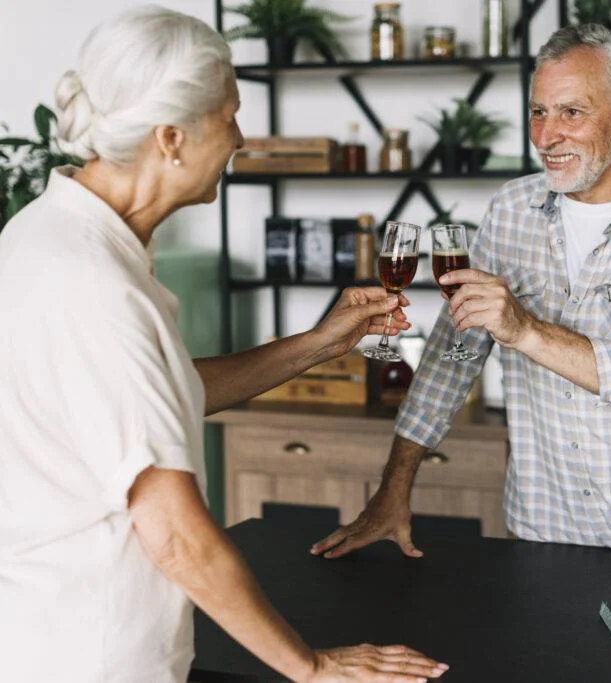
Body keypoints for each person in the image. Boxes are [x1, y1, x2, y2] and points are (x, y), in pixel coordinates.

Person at [0, 7, 447, 683]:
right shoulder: (91, 284)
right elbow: (174, 532)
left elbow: (165, 395)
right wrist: (313, 666)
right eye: (230, 114)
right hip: (90, 656)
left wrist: (317, 344)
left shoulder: (49, 235)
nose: (240, 137)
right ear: (172, 138)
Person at [312, 24, 611, 564]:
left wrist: (525, 329)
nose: (546, 136)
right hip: (544, 527)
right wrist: (395, 485)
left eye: (571, 112)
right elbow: (451, 355)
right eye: (538, 112)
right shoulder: (510, 209)